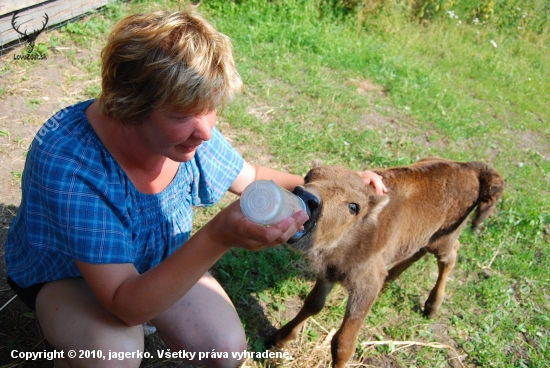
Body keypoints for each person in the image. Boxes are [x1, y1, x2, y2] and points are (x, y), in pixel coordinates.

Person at [4, 6, 387, 368]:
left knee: (225, 349)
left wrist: (334, 188)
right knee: (113, 354)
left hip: (153, 260)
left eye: (210, 108)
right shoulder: (71, 164)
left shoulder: (183, 133)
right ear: (128, 106)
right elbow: (125, 304)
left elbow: (250, 177)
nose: (205, 132)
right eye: (183, 115)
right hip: (69, 277)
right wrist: (218, 236)